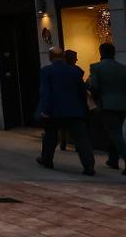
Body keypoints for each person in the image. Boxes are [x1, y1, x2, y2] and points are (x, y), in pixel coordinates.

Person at [37, 46, 96, 176]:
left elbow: (45, 92)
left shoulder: (47, 71)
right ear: (63, 57)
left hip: (54, 111)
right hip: (74, 110)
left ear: (50, 57)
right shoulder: (75, 71)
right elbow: (82, 91)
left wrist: (44, 109)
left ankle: (47, 159)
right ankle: (89, 164)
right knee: (81, 138)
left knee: (50, 136)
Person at [88, 42, 126, 175]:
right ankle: (113, 159)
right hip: (122, 105)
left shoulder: (96, 67)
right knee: (115, 131)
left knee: (114, 132)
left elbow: (94, 86)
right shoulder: (122, 68)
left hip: (106, 104)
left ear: (101, 52)